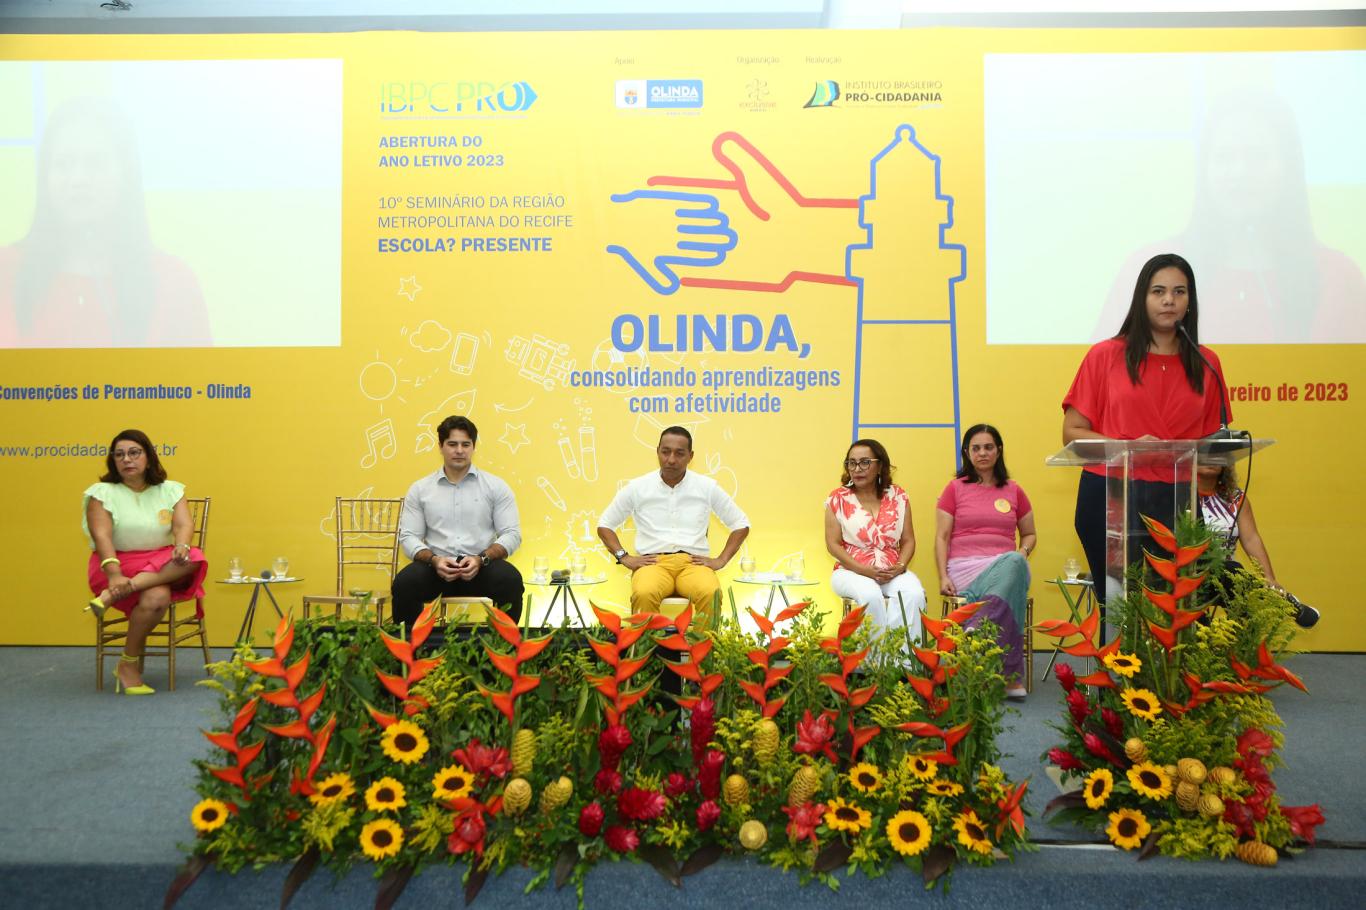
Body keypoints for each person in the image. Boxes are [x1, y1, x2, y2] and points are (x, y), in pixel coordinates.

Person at [1064, 252, 1232, 604]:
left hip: (1176, 498)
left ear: (1190, 301)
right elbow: (1072, 433)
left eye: (1179, 292)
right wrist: (1129, 447)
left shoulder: (1207, 363)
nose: (1169, 300)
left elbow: (1211, 445)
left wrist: (1213, 459)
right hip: (1110, 495)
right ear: (1142, 298)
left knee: (1176, 610)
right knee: (1119, 607)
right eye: (1158, 291)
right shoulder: (1105, 356)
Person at [0, 97, 210, 348]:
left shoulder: (174, 283)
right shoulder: (6, 271)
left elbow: (200, 374)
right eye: (63, 164)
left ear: (126, 174)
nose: (78, 179)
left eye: (95, 163)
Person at [83, 429, 209, 695]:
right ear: (113, 461)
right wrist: (114, 575)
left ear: (149, 457)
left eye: (134, 453)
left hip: (162, 562)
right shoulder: (101, 493)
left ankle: (126, 658)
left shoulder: (171, 489)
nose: (126, 459)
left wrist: (181, 546)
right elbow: (102, 537)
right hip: (115, 563)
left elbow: (183, 525)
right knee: (157, 595)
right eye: (119, 455)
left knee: (193, 557)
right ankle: (128, 664)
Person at [597, 426, 749, 624]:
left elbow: (741, 524)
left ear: (690, 456)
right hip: (653, 563)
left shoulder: (706, 487)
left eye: (679, 453)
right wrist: (623, 557)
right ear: (657, 452)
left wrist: (721, 560)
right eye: (665, 451)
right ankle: (647, 644)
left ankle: (704, 645)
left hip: (693, 564)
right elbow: (605, 525)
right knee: (644, 593)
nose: (671, 459)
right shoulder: (637, 487)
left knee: (711, 593)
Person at [394, 416, 524, 626]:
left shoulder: (496, 487)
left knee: (510, 580)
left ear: (474, 447)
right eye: (452, 444)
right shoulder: (420, 489)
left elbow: (512, 534)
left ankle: (504, 643)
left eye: (466, 444)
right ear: (440, 446)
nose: (459, 450)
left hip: (482, 567)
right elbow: (408, 536)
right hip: (435, 568)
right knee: (405, 583)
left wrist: (481, 559)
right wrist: (434, 560)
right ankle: (412, 644)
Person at [935, 424, 1034, 696]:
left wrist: (1023, 552)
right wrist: (943, 576)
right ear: (967, 453)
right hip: (965, 569)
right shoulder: (955, 489)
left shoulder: (1014, 490)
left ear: (998, 451)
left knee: (1014, 563)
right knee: (1012, 579)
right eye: (976, 448)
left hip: (1006, 567)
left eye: (988, 447)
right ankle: (1010, 677)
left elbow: (1029, 534)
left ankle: (977, 626)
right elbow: (942, 537)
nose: (982, 453)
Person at [823, 438, 926, 638]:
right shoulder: (837, 498)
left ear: (880, 466)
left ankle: (901, 656)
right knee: (870, 595)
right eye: (852, 463)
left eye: (865, 462)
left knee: (913, 594)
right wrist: (864, 570)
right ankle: (871, 657)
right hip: (850, 571)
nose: (857, 469)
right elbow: (833, 545)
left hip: (891, 571)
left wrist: (900, 566)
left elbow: (908, 540)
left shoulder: (898, 496)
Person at [1197, 463, 1318, 628]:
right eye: (1205, 454)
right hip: (1187, 576)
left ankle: (1272, 597)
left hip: (1227, 578)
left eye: (1217, 455)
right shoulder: (1177, 495)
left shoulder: (1235, 498)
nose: (1211, 460)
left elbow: (1251, 539)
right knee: (1232, 571)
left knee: (1233, 574)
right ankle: (1280, 602)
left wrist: (1269, 579)